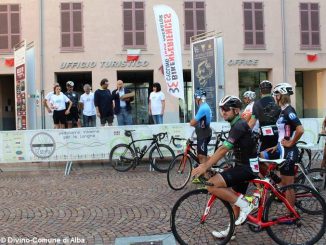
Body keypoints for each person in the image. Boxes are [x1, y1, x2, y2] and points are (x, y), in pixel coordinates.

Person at [192, 95, 258, 239]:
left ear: (236, 110)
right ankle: (231, 231)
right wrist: (209, 163)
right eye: (222, 109)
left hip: (247, 168)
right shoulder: (236, 124)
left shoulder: (239, 125)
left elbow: (224, 149)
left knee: (211, 185)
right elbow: (222, 148)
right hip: (244, 165)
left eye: (226, 109)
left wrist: (205, 166)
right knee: (235, 200)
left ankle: (247, 205)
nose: (223, 112)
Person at [261, 83, 304, 206]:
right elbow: (283, 132)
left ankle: (292, 214)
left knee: (288, 186)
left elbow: (300, 129)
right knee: (259, 158)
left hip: (288, 151)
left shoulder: (289, 111)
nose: (275, 96)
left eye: (276, 94)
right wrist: (277, 145)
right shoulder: (282, 110)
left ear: (281, 95)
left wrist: (291, 142)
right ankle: (278, 184)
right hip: (281, 148)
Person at [248, 80, 280, 152]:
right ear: (270, 90)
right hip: (277, 133)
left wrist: (243, 132)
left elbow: (252, 122)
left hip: (265, 133)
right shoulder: (277, 102)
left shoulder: (257, 104)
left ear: (260, 91)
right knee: (275, 155)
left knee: (262, 155)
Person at [190, 88, 212, 183]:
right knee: (201, 155)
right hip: (203, 133)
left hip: (204, 134)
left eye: (195, 98)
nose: (195, 100)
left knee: (202, 157)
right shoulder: (204, 106)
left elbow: (193, 122)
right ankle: (210, 166)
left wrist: (191, 122)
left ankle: (205, 179)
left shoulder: (203, 108)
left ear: (198, 98)